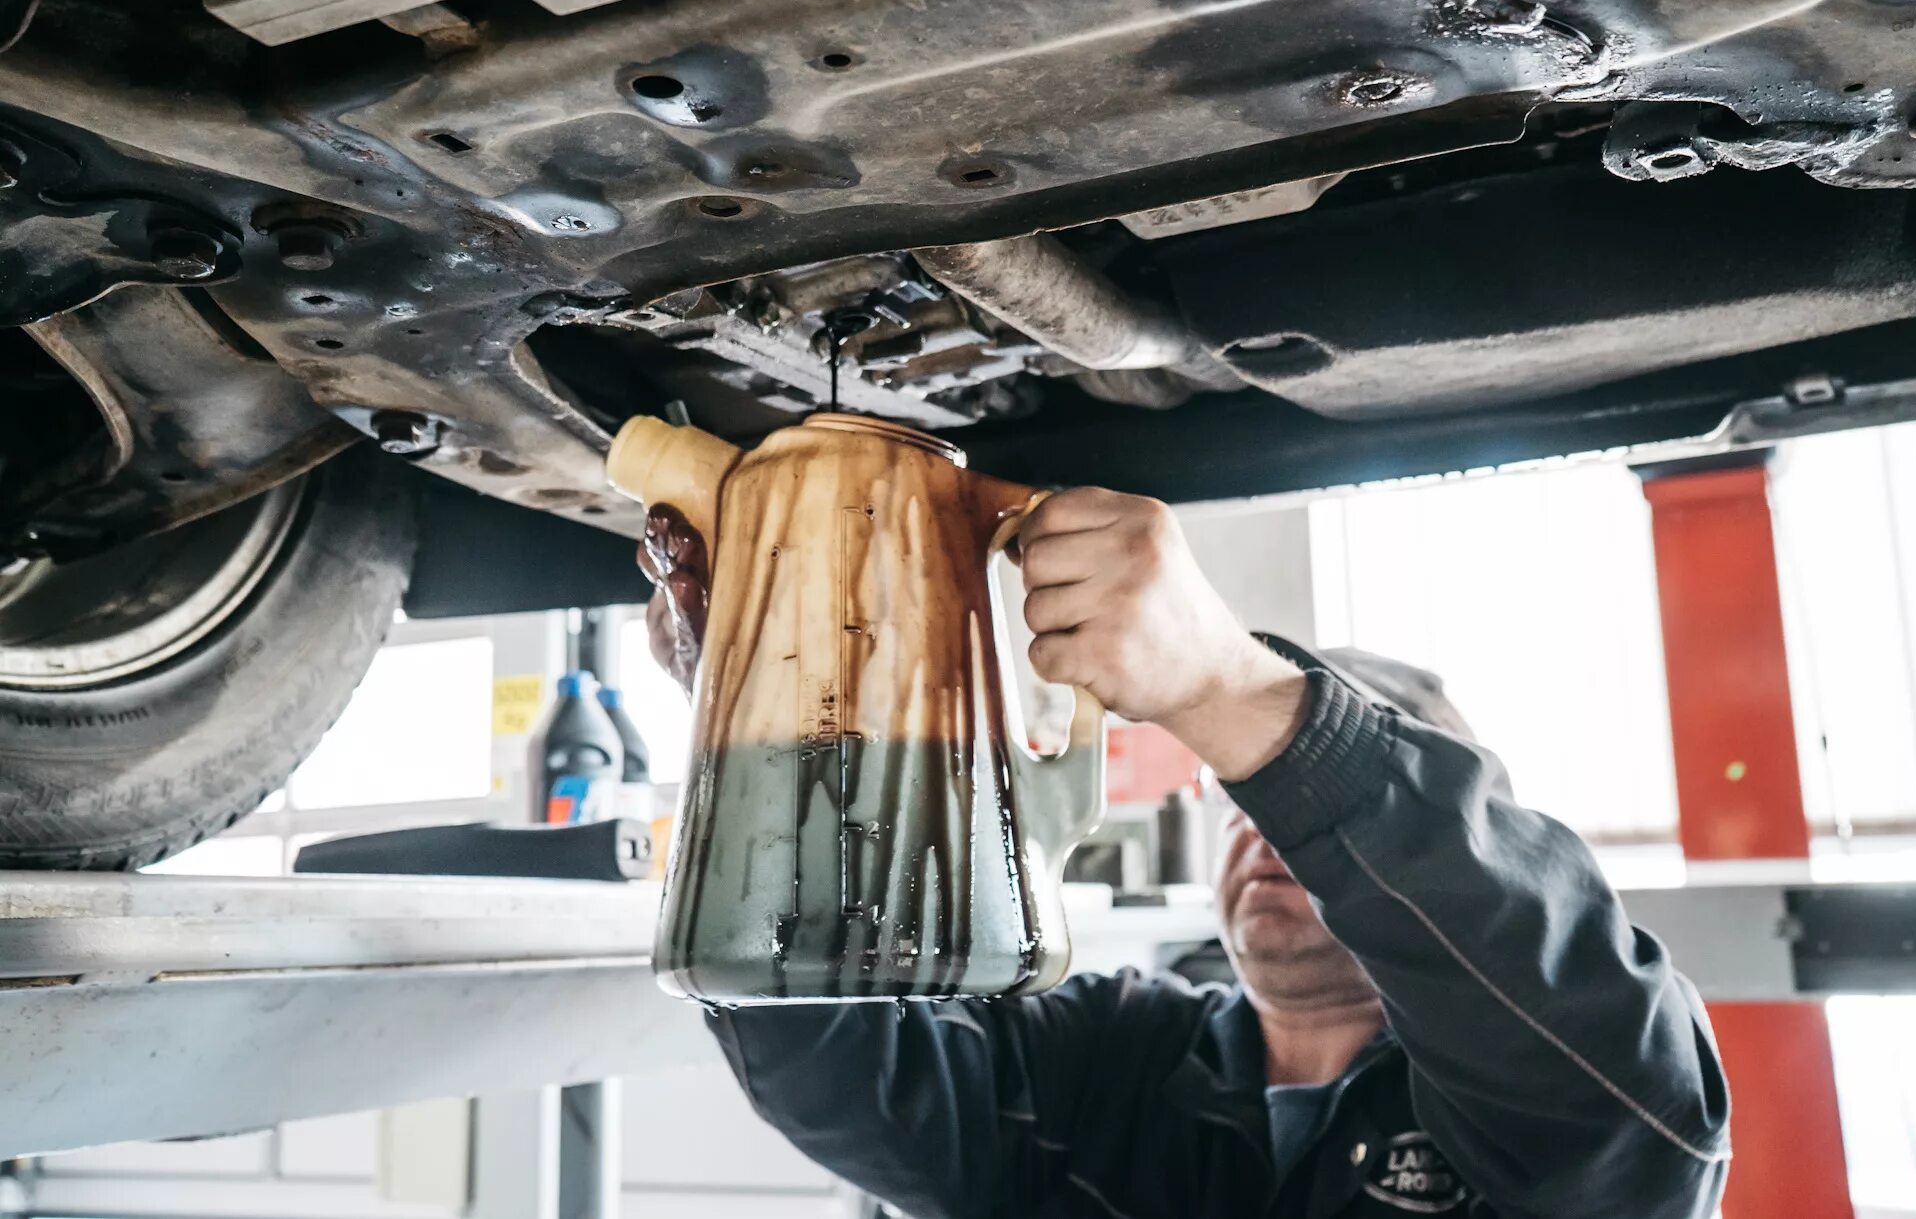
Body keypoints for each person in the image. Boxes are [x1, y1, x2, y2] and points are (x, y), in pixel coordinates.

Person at [654, 487, 1731, 1219]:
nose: (1260, 820)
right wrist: (768, 736)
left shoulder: (1540, 1105)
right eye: (1242, 789)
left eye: (1287, 786)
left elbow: (1623, 1099)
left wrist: (1234, 690)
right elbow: (843, 1070)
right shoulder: (1115, 1051)